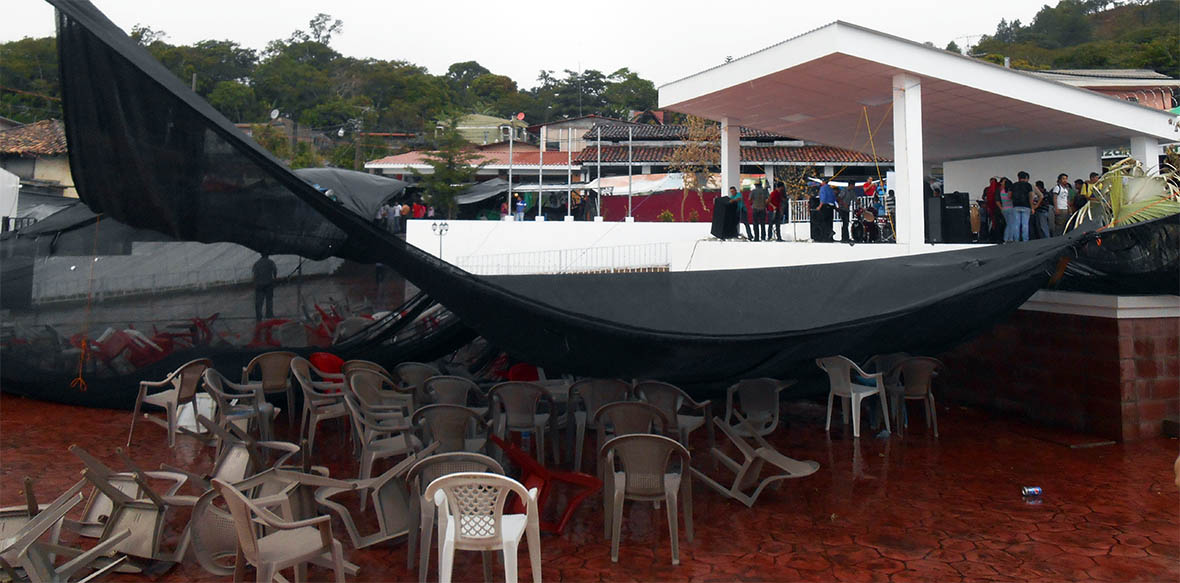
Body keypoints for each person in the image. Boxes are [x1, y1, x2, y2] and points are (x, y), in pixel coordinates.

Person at [252, 253, 277, 322]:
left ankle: (258, 317)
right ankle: (269, 314)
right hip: (268, 284)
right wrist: (274, 278)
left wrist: (255, 283)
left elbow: (254, 275)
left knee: (259, 302)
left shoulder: (256, 263)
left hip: (259, 285)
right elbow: (275, 271)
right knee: (269, 300)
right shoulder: (271, 262)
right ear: (267, 255)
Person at [1010, 171, 1033, 242]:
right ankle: (1025, 240)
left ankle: (1016, 240)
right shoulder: (1028, 185)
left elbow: (1009, 196)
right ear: (1026, 177)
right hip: (1026, 206)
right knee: (1025, 224)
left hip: (1016, 206)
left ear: (1018, 177)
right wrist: (1032, 207)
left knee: (1016, 224)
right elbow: (1031, 196)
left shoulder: (1013, 185)